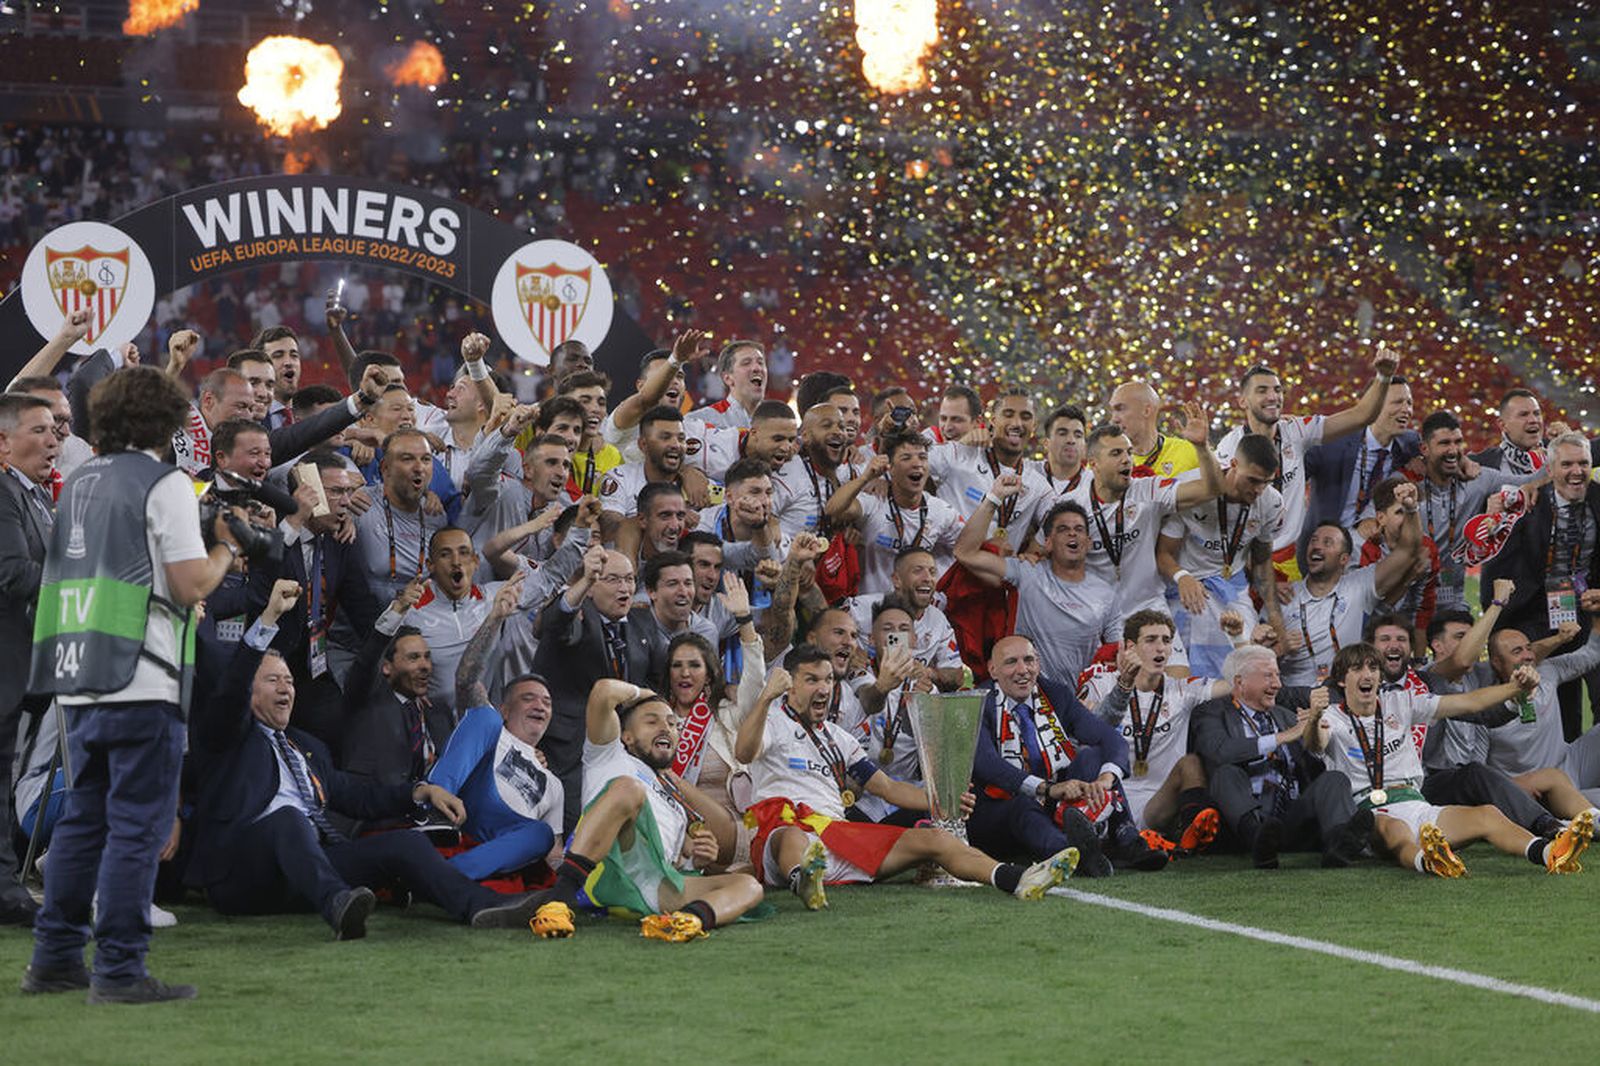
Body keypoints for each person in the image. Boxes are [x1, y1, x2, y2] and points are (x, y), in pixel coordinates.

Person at [23, 366, 240, 1003]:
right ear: (166, 420)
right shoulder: (163, 482)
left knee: (83, 824)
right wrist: (227, 547)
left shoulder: (82, 478)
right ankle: (119, 969)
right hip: (141, 678)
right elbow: (189, 584)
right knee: (136, 829)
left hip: (81, 675)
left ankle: (56, 959)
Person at [185, 583, 544, 938]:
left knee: (405, 843)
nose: (286, 688)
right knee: (288, 819)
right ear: (249, 688)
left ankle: (479, 904)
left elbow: (356, 795)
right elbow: (230, 694)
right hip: (243, 876)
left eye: (290, 680)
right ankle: (338, 904)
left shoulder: (306, 747)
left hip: (304, 873)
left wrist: (422, 792)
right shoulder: (226, 737)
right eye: (273, 680)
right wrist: (268, 619)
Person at [735, 645, 1079, 909]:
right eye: (812, 680)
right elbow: (744, 753)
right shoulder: (773, 720)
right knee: (790, 835)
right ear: (789, 685)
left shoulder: (839, 738)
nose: (823, 688)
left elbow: (886, 787)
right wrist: (766, 697)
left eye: (827, 679)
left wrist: (941, 800)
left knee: (936, 840)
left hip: (838, 842)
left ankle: (1017, 879)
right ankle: (802, 880)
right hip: (784, 839)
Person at [1304, 642, 1591, 877]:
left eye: (1373, 668)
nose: (1367, 675)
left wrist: (1515, 689)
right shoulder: (1331, 716)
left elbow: (1469, 702)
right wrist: (1315, 716)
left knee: (1487, 814)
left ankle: (1549, 852)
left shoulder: (1401, 702)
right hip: (1369, 811)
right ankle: (1428, 862)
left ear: (1380, 676)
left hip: (1416, 802)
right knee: (1397, 831)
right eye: (1357, 669)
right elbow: (1315, 742)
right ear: (1342, 680)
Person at [527, 678, 766, 942]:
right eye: (652, 721)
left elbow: (673, 862)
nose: (665, 727)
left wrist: (695, 860)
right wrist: (645, 693)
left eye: (673, 724)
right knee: (629, 789)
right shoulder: (608, 754)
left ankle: (686, 921)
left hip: (654, 885)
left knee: (749, 885)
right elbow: (603, 692)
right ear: (626, 736)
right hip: (606, 871)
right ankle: (559, 900)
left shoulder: (675, 802)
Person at [969, 635, 1168, 876]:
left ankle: (1126, 840)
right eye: (1011, 662)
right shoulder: (978, 702)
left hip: (1053, 801)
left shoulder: (1055, 693)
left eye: (1029, 660)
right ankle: (1074, 853)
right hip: (998, 811)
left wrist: (1104, 779)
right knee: (1021, 804)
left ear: (1039, 664)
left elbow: (1109, 738)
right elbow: (986, 764)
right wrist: (1048, 788)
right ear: (992, 669)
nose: (1022, 670)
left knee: (1092, 758)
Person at [1215, 347, 1399, 580]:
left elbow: (1361, 416)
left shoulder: (1297, 431)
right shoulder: (1229, 446)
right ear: (1243, 401)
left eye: (1277, 390)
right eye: (1262, 390)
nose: (1273, 397)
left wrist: (1383, 377)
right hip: (1242, 560)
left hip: (1287, 560)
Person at [1190, 644, 1372, 869]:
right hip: (1244, 823)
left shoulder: (1286, 716)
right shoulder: (1211, 712)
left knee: (1334, 779)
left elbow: (1313, 767)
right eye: (1268, 676)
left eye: (1277, 675)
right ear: (1240, 682)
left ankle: (1339, 844)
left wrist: (1314, 729)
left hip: (1290, 818)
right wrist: (1281, 737)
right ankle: (1259, 841)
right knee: (1226, 773)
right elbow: (1220, 752)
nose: (1277, 684)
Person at [431, 584, 565, 881]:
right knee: (483, 717)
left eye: (546, 702)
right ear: (506, 709)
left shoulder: (554, 784)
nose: (539, 705)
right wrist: (495, 619)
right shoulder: (493, 725)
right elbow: (466, 679)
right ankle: (433, 811)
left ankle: (447, 876)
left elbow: (554, 852)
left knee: (542, 833)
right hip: (471, 800)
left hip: (506, 833)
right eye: (528, 698)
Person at [531, 545, 665, 829]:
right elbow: (555, 624)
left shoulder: (643, 623)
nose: (625, 587)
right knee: (577, 828)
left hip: (623, 751)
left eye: (629, 579)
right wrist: (582, 582)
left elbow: (657, 679)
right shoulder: (579, 616)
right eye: (613, 579)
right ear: (591, 587)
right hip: (570, 751)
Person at [1481, 430, 1600, 742]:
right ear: (1550, 470)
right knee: (1552, 701)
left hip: (1590, 611)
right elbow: (1496, 566)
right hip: (1535, 616)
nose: (1577, 472)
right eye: (1567, 464)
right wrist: (1498, 624)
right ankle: (1554, 771)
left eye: (1583, 463)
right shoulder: (1523, 504)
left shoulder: (1598, 498)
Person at [1080, 611, 1227, 850]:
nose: (1160, 648)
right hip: (1112, 798)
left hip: (1160, 803)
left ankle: (1189, 839)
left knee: (1191, 764)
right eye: (1150, 640)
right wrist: (1123, 685)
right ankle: (1123, 837)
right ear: (1129, 647)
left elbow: (1238, 685)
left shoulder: (1183, 690)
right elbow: (1086, 733)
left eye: (1166, 640)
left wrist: (1240, 638)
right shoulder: (1101, 684)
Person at [1157, 433, 1287, 678]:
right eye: (1253, 480)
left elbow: (1261, 562)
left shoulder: (1272, 503)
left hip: (1231, 588)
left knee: (1245, 668)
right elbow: (1162, 553)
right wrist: (1182, 577)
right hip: (1185, 587)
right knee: (1181, 674)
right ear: (1234, 465)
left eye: (1267, 482)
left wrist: (1274, 616)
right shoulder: (1194, 489)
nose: (1259, 489)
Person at [0, 392, 60, 927]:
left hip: (25, 662)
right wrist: (79, 587)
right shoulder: (3, 491)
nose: (53, 439)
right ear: (3, 442)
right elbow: (13, 573)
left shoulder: (34, 495)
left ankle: (6, 886)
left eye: (55, 430)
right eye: (39, 430)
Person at [955, 494, 1117, 685]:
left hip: (1081, 701)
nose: (1072, 534)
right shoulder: (1026, 572)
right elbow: (965, 553)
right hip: (1029, 696)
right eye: (1063, 529)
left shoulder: (1106, 592)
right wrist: (993, 498)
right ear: (1047, 542)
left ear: (1088, 542)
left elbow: (1117, 651)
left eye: (1079, 529)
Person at [1274, 484, 1420, 686]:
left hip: (1344, 696)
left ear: (1344, 559)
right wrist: (1278, 650)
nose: (1317, 546)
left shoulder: (1359, 586)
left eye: (1327, 543)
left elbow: (1408, 551)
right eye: (1314, 541)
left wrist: (1411, 509)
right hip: (1293, 699)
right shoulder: (1284, 595)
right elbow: (1255, 656)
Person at [1412, 410, 1543, 610]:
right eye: (1444, 443)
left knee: (1463, 634)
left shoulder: (1479, 480)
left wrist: (1560, 450)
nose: (1453, 450)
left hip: (1453, 601)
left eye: (1458, 442)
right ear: (1424, 448)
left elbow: (1530, 481)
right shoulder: (1406, 484)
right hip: (1408, 599)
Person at [826, 430, 963, 594]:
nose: (917, 463)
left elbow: (968, 548)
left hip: (914, 612)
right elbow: (832, 509)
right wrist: (865, 478)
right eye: (906, 458)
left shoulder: (941, 511)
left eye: (922, 457)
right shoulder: (874, 502)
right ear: (890, 469)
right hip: (871, 610)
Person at [1303, 371, 1417, 539]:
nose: (1406, 409)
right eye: (1398, 402)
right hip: (1324, 547)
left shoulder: (1410, 443)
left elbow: (1442, 450)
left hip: (1374, 548)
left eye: (1409, 403)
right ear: (1373, 405)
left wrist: (1468, 463)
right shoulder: (1332, 443)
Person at [1107, 380, 1199, 479]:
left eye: (1120, 409)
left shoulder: (1190, 453)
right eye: (1112, 411)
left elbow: (1215, 488)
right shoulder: (1104, 461)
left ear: (1146, 410)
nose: (1114, 419)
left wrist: (1203, 447)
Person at [688, 340, 766, 429]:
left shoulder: (779, 419)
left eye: (760, 363)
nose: (757, 368)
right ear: (728, 379)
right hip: (710, 401)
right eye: (746, 363)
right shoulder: (700, 421)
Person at [1470, 387, 1546, 475]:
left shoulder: (1557, 456)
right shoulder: (1483, 465)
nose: (1533, 420)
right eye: (1523, 415)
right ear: (1503, 425)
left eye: (1537, 413)